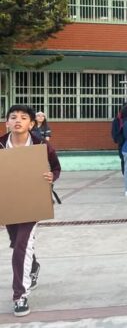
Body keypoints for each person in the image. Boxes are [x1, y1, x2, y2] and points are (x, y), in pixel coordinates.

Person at [2, 105, 61, 318]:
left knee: (21, 246)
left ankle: (20, 295)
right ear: (7, 122)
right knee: (16, 242)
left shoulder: (41, 145)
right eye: (13, 117)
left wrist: (51, 177)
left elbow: (56, 168)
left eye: (23, 117)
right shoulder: (0, 145)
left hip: (33, 202)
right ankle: (33, 266)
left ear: (32, 124)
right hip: (8, 203)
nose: (18, 120)